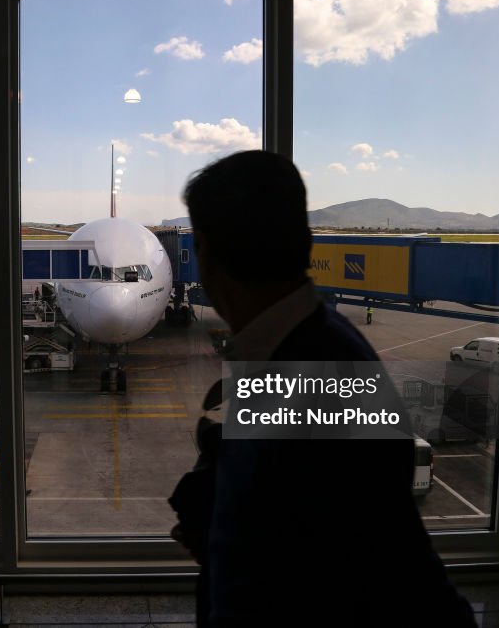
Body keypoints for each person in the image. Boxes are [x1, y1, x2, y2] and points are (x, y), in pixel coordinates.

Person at [180, 151, 475, 626]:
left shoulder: (315, 373)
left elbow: (334, 579)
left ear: (206, 256)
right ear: (306, 242)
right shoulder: (310, 348)